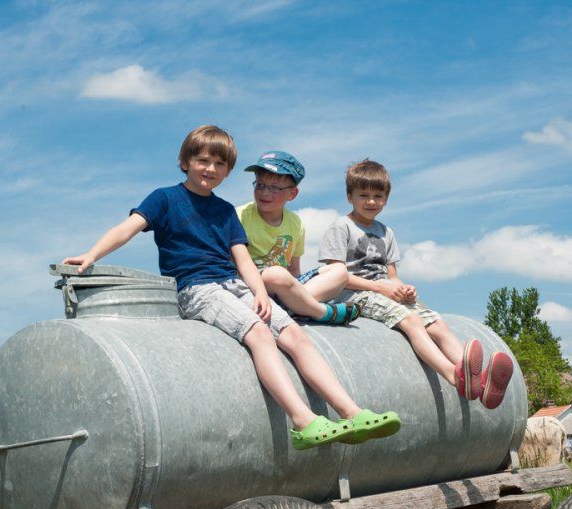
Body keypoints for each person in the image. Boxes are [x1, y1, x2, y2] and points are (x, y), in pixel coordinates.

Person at [62, 126, 400, 449]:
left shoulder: (225, 211)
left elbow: (242, 258)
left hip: (234, 282)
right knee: (259, 333)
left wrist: (261, 293)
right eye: (203, 161)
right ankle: (302, 420)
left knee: (295, 335)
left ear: (227, 171)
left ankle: (351, 412)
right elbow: (128, 228)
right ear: (185, 162)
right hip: (197, 288)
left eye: (219, 164)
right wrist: (91, 254)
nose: (210, 168)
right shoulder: (164, 199)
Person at [319, 159, 514, 409]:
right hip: (353, 294)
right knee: (411, 322)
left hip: (386, 292)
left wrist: (403, 288)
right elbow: (334, 274)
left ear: (386, 199)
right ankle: (455, 377)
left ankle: (483, 384)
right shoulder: (341, 227)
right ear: (350, 197)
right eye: (363, 195)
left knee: (436, 323)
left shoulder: (386, 232)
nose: (371, 201)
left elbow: (392, 275)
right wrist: (381, 288)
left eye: (378, 196)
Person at [236, 150, 360, 324]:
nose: (264, 192)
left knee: (340, 272)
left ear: (292, 194)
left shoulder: (295, 223)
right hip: (256, 284)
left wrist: (296, 288)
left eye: (274, 187)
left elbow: (294, 270)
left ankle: (295, 305)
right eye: (260, 185)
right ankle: (319, 311)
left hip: (286, 285)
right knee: (276, 274)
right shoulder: (240, 216)